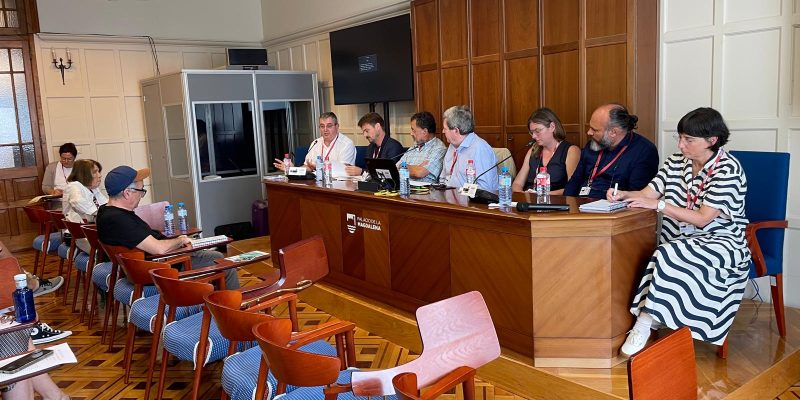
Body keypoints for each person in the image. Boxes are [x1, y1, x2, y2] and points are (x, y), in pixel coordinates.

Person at [609, 107, 751, 356]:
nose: (681, 145)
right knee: (655, 250)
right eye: (680, 137)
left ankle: (643, 323)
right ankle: (653, 317)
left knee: (668, 254)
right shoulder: (676, 161)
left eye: (688, 140)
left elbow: (703, 219)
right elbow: (647, 194)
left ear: (712, 140)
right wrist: (623, 194)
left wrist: (661, 205)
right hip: (677, 236)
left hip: (722, 241)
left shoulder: (728, 169)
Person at [96, 166, 239, 289]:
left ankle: (213, 304)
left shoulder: (105, 211)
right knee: (225, 264)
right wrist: (180, 240)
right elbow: (159, 248)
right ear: (127, 193)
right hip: (162, 268)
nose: (141, 196)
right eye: (141, 191)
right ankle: (232, 313)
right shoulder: (118, 219)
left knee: (215, 256)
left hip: (154, 263)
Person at [563, 104, 658, 198]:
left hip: (614, 208)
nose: (589, 132)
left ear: (613, 132)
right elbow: (574, 182)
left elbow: (637, 196)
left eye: (594, 130)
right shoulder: (593, 144)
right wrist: (567, 206)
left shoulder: (644, 151)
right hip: (581, 204)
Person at [512, 108, 580, 194]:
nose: (533, 136)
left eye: (537, 131)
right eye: (532, 132)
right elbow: (517, 184)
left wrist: (542, 195)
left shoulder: (571, 150)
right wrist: (523, 195)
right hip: (530, 202)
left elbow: (573, 188)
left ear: (552, 127)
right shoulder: (533, 150)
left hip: (555, 203)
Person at [273, 112, 356, 172]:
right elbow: (308, 167)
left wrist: (319, 166)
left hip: (339, 185)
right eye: (322, 126)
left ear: (337, 126)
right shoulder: (316, 143)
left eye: (329, 126)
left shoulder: (346, 144)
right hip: (318, 183)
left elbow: (344, 170)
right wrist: (293, 169)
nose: (325, 130)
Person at [441, 105, 498, 192]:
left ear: (456, 131)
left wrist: (461, 191)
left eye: (445, 129)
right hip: (449, 197)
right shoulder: (452, 145)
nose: (443, 131)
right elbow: (443, 178)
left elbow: (486, 188)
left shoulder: (480, 149)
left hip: (471, 203)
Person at [62, 159, 107, 254]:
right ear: (84, 174)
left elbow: (105, 206)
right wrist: (98, 213)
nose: (99, 175)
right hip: (77, 236)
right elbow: (77, 201)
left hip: (90, 232)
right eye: (95, 172)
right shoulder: (74, 186)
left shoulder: (93, 189)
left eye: (99, 171)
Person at [396, 111, 446, 183]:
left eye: (413, 130)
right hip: (405, 189)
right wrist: (411, 167)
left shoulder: (439, 148)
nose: (411, 133)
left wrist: (403, 167)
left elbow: (419, 173)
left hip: (424, 192)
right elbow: (395, 169)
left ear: (425, 132)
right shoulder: (413, 147)